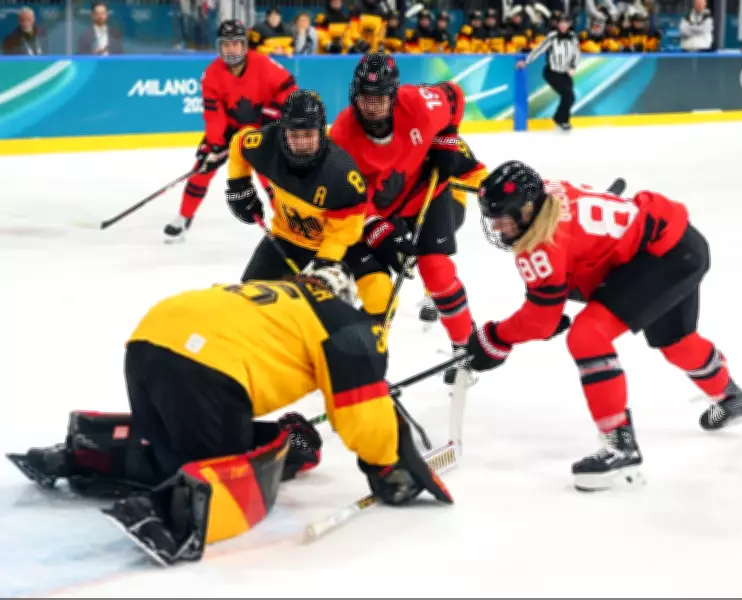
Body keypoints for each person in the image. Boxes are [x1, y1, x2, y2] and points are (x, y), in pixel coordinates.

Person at [7, 265, 452, 566]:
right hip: (203, 368)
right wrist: (385, 465)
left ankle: (85, 448)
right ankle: (168, 514)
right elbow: (361, 407)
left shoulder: (275, 298)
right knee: (228, 471)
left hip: (147, 342)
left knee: (172, 453)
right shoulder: (340, 320)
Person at [466, 161, 742, 492]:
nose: (498, 228)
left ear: (528, 208)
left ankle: (620, 449)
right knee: (677, 342)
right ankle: (733, 398)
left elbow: (541, 319)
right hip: (680, 244)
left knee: (587, 336)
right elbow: (583, 255)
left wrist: (495, 338)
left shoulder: (543, 244)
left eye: (504, 218)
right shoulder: (548, 193)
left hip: (662, 257)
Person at [330, 53, 479, 384]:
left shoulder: (419, 105)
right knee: (377, 287)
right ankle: (366, 362)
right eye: (365, 98)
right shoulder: (342, 134)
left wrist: (447, 138)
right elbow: (345, 196)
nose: (371, 106)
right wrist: (377, 228)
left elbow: (454, 95)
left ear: (394, 96)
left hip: (426, 192)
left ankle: (464, 346)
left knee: (437, 272)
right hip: (381, 209)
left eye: (380, 99)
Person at [225, 89, 392, 320]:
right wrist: (238, 186)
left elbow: (346, 232)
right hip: (287, 238)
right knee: (245, 305)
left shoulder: (341, 173)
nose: (302, 143)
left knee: (381, 294)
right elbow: (239, 142)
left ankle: (367, 345)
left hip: (338, 247)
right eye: (295, 134)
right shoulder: (266, 144)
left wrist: (323, 264)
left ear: (321, 131)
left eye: (309, 134)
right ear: (283, 132)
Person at [164, 19, 298, 242]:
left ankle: (289, 227)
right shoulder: (211, 75)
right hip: (229, 128)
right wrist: (215, 144)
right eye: (226, 44)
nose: (231, 49)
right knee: (201, 170)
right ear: (219, 47)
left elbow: (290, 89)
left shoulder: (264, 64)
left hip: (261, 129)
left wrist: (271, 114)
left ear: (245, 45)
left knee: (270, 179)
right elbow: (213, 114)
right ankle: (183, 217)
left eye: (236, 43)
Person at [418, 136, 487, 325]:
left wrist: (484, 189)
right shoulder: (410, 135)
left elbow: (477, 173)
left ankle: (433, 295)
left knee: (431, 247)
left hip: (449, 204)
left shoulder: (452, 142)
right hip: (413, 203)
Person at [515, 13, 580, 131]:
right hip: (551, 72)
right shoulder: (552, 36)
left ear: (569, 24)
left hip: (565, 73)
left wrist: (573, 66)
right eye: (561, 22)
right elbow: (539, 49)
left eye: (566, 22)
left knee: (570, 97)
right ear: (558, 24)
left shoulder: (573, 37)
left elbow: (576, 53)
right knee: (568, 94)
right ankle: (560, 120)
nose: (563, 25)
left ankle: (562, 120)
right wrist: (526, 61)